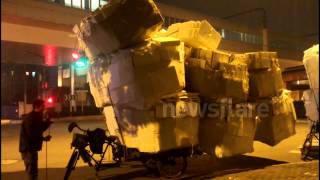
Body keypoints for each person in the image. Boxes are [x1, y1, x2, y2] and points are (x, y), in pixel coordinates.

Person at [19, 99, 53, 180]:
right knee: (32, 173)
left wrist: (48, 120)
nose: (44, 108)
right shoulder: (30, 118)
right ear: (37, 107)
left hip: (32, 149)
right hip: (28, 150)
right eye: (43, 106)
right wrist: (43, 139)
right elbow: (32, 135)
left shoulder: (37, 117)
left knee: (34, 172)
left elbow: (39, 129)